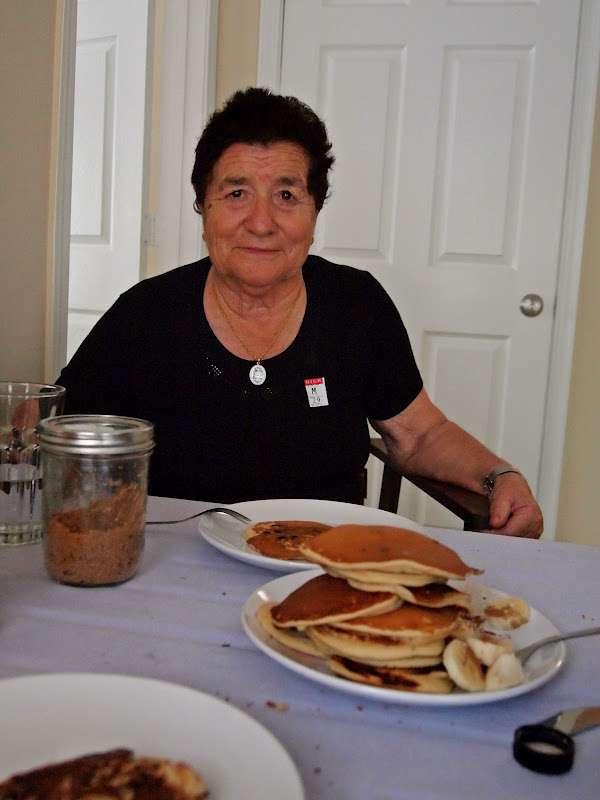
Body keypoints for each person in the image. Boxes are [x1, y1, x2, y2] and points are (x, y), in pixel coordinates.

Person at [57, 87, 543, 538]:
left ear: (315, 211)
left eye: (287, 195)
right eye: (236, 193)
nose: (262, 222)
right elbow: (63, 439)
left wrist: (498, 476)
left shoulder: (356, 304)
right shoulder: (145, 315)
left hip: (324, 568)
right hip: (177, 565)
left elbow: (419, 435)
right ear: (203, 205)